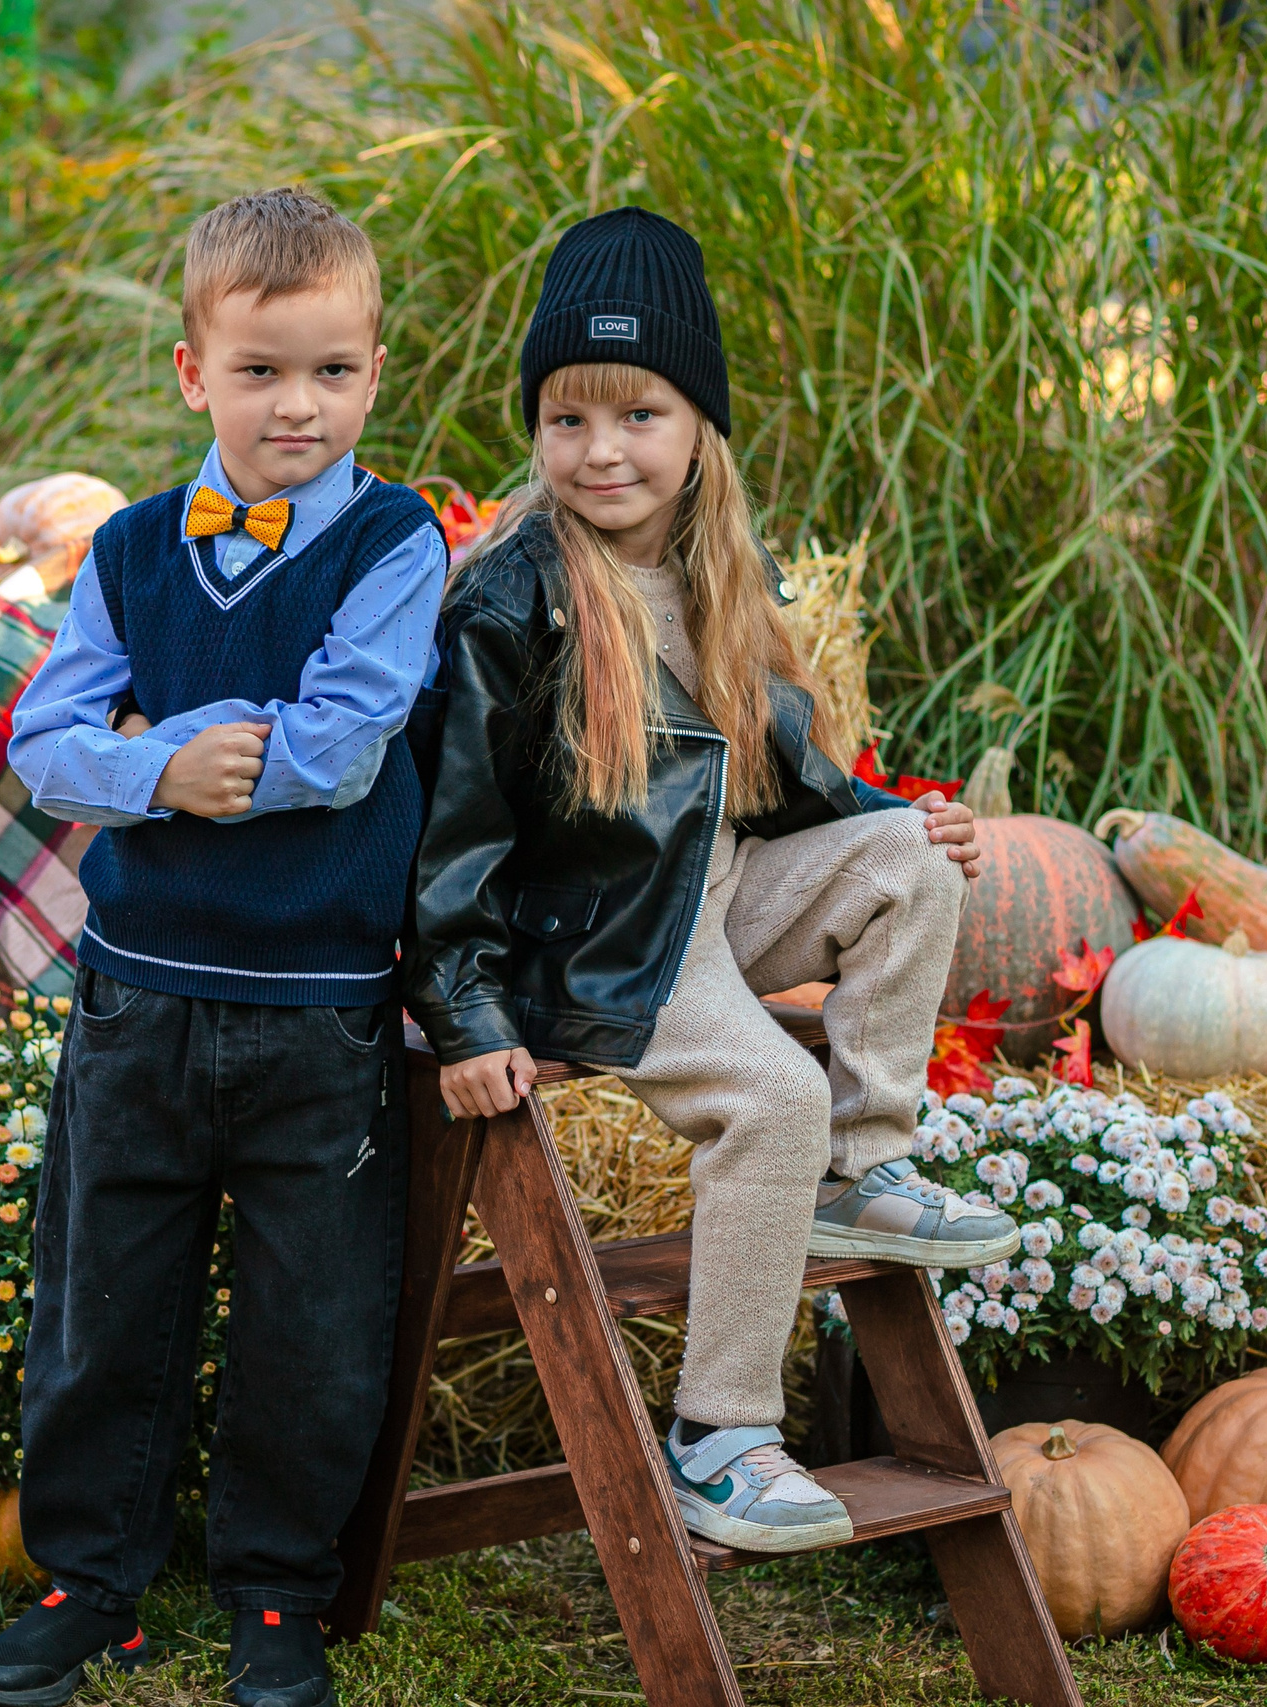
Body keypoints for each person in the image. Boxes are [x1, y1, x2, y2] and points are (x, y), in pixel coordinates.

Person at [405, 208, 1020, 1556]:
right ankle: (720, 1436)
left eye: (639, 413)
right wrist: (463, 1011)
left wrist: (896, 818)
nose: (602, 450)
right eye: (569, 419)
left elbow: (789, 773)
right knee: (770, 1095)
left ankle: (869, 1166)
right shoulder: (511, 598)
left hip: (710, 894)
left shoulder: (715, 575)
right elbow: (445, 829)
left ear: (700, 431)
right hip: (598, 943)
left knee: (912, 864)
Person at [0, 187, 445, 1707]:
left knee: (312, 1319)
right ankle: (86, 1581)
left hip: (318, 1007)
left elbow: (345, 743)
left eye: (333, 374)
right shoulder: (136, 553)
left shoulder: (393, 538)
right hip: (140, 997)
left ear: (373, 370)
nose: (298, 406)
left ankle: (278, 1596)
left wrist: (179, 746)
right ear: (191, 372)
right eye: (260, 371)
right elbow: (46, 740)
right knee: (106, 1298)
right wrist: (152, 769)